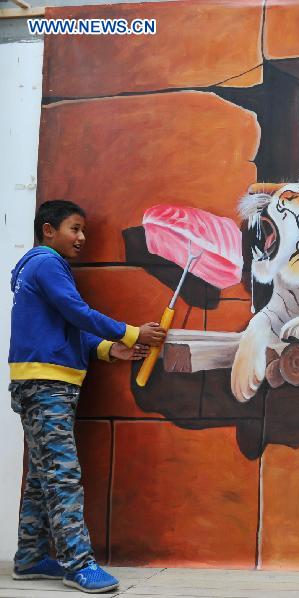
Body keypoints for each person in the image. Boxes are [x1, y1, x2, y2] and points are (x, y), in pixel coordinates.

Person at [8, 200, 166, 594]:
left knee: (44, 475)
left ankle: (28, 558)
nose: (81, 239)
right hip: (45, 386)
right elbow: (76, 312)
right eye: (74, 229)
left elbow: (67, 324)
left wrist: (109, 350)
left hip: (46, 383)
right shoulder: (46, 263)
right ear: (48, 229)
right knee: (63, 477)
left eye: (83, 232)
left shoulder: (42, 267)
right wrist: (130, 334)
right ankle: (78, 564)